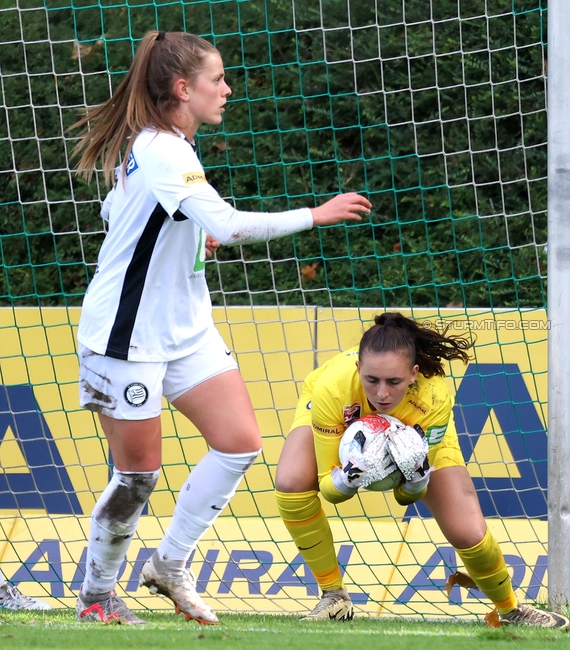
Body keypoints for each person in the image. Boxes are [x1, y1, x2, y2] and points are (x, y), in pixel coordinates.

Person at [69, 30, 371, 625]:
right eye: (218, 79)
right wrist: (317, 213)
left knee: (239, 444)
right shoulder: (164, 149)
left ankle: (169, 564)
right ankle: (98, 595)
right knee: (136, 477)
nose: (227, 89)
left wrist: (183, 229)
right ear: (184, 89)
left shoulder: (165, 145)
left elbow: (118, 209)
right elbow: (229, 225)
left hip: (186, 331)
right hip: (125, 338)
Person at [274, 312, 570, 628]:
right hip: (335, 415)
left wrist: (416, 478)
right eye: (371, 380)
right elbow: (328, 488)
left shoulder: (434, 397)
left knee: (467, 531)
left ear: (414, 374)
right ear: (359, 369)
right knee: (290, 481)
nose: (382, 394)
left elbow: (405, 497)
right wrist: (347, 478)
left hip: (418, 431)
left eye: (394, 382)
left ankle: (512, 610)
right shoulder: (332, 390)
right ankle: (334, 597)